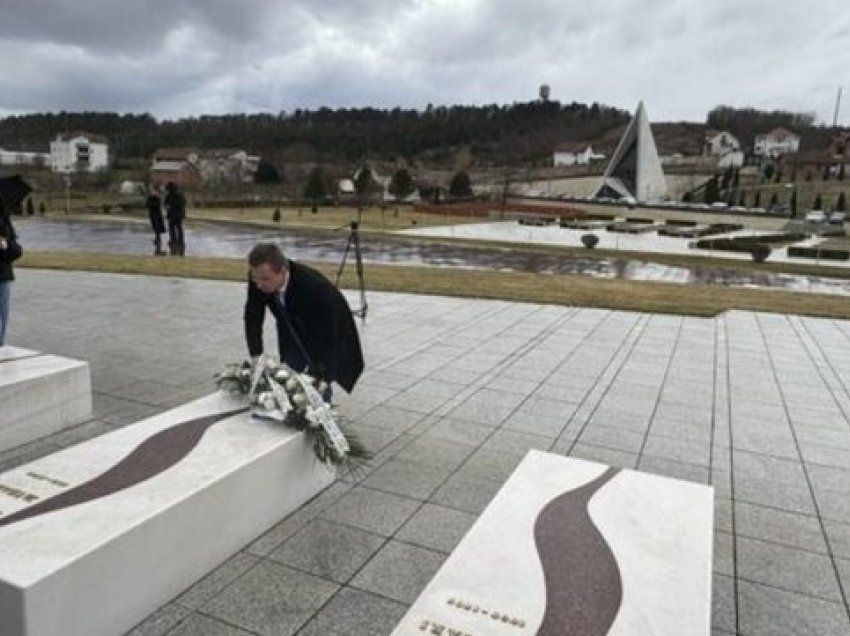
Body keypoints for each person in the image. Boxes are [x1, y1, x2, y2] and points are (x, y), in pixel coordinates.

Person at [244, 243, 364, 395]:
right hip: (292, 328)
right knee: (289, 377)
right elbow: (253, 316)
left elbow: (328, 337)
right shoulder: (259, 279)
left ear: (282, 271)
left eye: (265, 279)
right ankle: (294, 410)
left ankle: (321, 413)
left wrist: (321, 377)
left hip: (325, 330)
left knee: (317, 385)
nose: (259, 284)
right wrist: (256, 356)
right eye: (255, 278)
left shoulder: (314, 288)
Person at [0, 201, 22, 346]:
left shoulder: (5, 221)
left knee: (3, 310)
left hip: (3, 275)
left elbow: (17, 250)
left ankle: (1, 341)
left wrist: (6, 245)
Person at [163, 181, 186, 256]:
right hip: (178, 214)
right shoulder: (180, 194)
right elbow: (183, 203)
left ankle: (174, 240)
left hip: (173, 214)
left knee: (172, 228)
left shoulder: (170, 195)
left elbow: (166, 204)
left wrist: (168, 208)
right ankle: (180, 241)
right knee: (179, 228)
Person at [145, 185, 166, 255]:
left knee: (157, 228)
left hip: (157, 214)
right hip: (152, 214)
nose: (153, 193)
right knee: (155, 227)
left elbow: (157, 205)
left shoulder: (157, 198)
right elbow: (147, 205)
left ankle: (158, 239)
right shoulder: (150, 198)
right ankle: (157, 239)